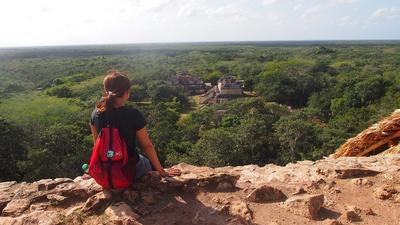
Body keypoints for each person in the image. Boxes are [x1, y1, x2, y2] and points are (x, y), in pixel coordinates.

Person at [89, 70, 181, 179]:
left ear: (105, 90)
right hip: (127, 171)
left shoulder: (95, 114)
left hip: (105, 172)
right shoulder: (133, 114)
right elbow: (146, 146)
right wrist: (162, 171)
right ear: (127, 93)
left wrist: (93, 170)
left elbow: (97, 146)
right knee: (145, 161)